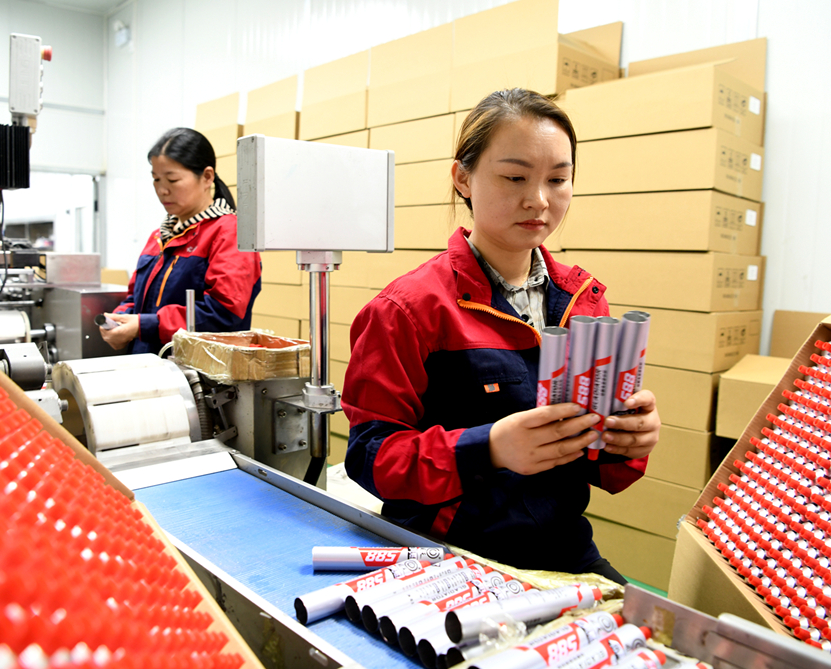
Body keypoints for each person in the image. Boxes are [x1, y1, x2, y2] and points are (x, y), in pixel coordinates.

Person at [341, 89, 661, 580]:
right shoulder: (408, 310)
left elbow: (598, 463)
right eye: (515, 177)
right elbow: (371, 457)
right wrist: (487, 447)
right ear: (462, 178)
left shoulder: (583, 301)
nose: (539, 200)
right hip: (449, 553)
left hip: (563, 548)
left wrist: (627, 439)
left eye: (558, 179)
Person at [100, 128, 262, 354]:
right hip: (149, 362)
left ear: (207, 177)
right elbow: (135, 297)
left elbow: (224, 313)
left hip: (195, 370)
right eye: (156, 179)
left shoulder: (228, 233)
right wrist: (121, 319)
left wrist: (145, 325)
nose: (162, 190)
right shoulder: (160, 236)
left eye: (172, 180)